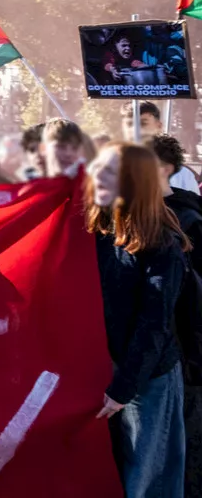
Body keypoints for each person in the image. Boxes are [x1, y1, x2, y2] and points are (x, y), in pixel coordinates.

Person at [87, 143, 188, 497]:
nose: (99, 176)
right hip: (108, 375)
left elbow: (154, 325)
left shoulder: (162, 245)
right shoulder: (93, 232)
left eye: (110, 170)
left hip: (147, 381)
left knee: (145, 479)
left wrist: (123, 389)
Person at [149, 135, 202, 495]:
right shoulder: (138, 214)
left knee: (188, 443)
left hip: (186, 351)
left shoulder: (190, 220)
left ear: (166, 169)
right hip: (162, 351)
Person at [125, 102, 200, 195]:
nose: (135, 129)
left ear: (159, 126)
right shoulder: (113, 170)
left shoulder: (182, 175)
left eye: (143, 123)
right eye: (129, 124)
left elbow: (193, 205)